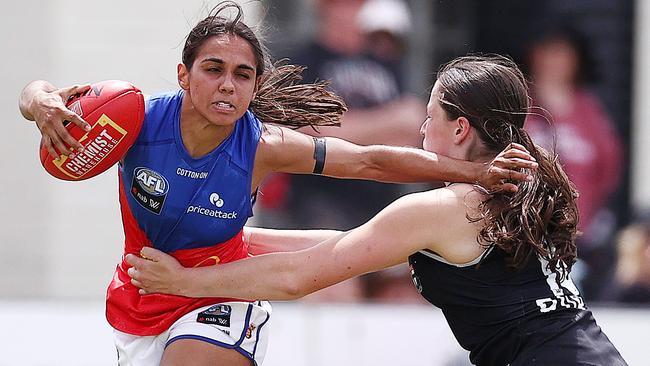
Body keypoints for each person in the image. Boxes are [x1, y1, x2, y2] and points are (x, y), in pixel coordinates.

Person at [18, 3, 536, 366]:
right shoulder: (134, 117)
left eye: (243, 75)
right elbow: (38, 92)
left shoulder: (263, 144)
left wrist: (474, 172)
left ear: (256, 86)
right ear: (183, 75)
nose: (227, 84)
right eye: (213, 69)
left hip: (223, 293)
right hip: (143, 294)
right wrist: (39, 102)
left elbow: (369, 162)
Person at [126, 55, 627, 366]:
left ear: (459, 130)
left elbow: (299, 278)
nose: (420, 133)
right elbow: (349, 246)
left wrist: (184, 283)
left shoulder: (440, 209)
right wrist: (222, 246)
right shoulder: (516, 189)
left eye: (430, 118)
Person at [523, 24, 624, 298]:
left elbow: (609, 167)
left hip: (582, 238)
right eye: (548, 52)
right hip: (525, 237)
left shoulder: (589, 110)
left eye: (562, 53)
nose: (554, 62)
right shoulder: (521, 105)